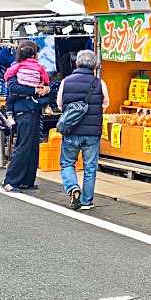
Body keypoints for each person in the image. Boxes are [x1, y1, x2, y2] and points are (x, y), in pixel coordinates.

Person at [57, 50, 108, 211]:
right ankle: (86, 201)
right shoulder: (100, 83)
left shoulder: (66, 81)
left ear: (77, 64)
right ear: (95, 66)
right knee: (90, 167)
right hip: (92, 132)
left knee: (67, 163)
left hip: (71, 130)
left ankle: (73, 188)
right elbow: (105, 105)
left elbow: (60, 104)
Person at [2, 40, 50, 192]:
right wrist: (36, 90)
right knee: (23, 145)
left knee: (33, 145)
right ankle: (10, 181)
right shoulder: (16, 69)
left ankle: (27, 180)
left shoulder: (34, 69)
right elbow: (14, 87)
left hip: (33, 109)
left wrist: (46, 90)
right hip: (24, 110)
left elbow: (46, 84)